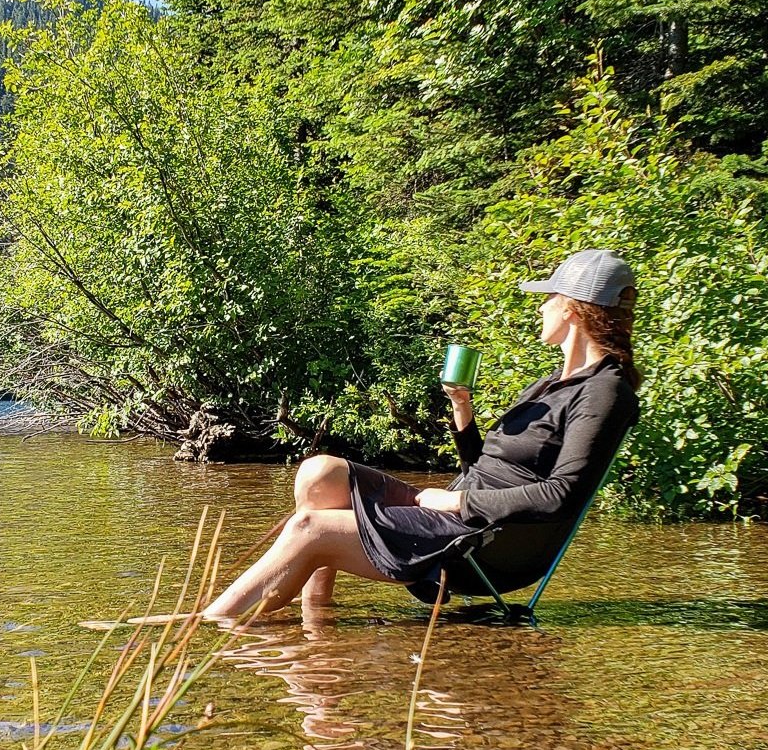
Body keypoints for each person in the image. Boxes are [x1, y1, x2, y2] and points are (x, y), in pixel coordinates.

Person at [188, 249, 641, 622]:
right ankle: (316, 617)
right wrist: (463, 411)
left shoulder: (605, 391)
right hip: (467, 513)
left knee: (312, 527)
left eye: (548, 298)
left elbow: (560, 495)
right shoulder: (553, 382)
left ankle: (208, 626)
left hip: (485, 544)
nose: (540, 308)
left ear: (571, 307)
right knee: (319, 473)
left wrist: (456, 502)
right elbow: (486, 468)